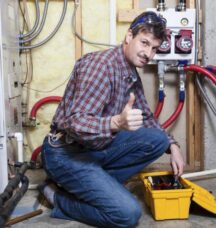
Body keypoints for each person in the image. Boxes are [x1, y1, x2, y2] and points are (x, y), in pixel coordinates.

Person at [40, 11, 185, 227]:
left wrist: (173, 146)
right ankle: (58, 197)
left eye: (154, 48)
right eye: (144, 43)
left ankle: (95, 186)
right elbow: (75, 122)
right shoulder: (101, 66)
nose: (148, 53)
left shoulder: (130, 72)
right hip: (67, 153)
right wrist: (116, 122)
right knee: (127, 214)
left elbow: (145, 116)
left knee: (159, 140)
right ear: (129, 37)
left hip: (95, 149)